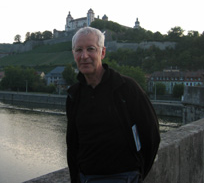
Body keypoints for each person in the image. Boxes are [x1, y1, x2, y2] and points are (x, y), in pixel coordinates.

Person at [66, 27, 160, 183]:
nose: (84, 56)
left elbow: (151, 135)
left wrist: (138, 173)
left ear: (102, 52)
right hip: (86, 178)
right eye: (78, 50)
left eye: (91, 49)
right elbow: (72, 144)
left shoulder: (126, 88)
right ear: (73, 54)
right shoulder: (74, 94)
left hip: (125, 177)